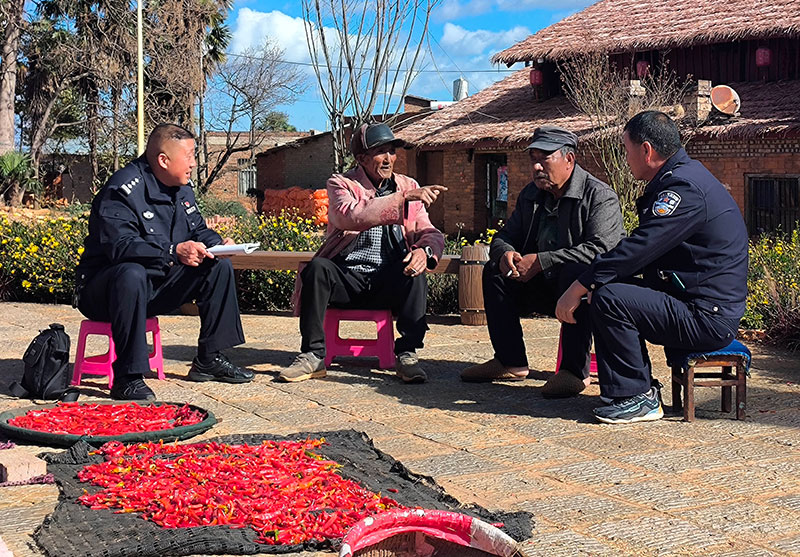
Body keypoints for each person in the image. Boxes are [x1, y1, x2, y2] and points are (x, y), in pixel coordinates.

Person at [556, 111, 748, 424]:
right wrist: (592, 282)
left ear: (646, 150)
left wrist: (579, 285)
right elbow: (644, 253)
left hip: (707, 317)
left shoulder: (683, 190)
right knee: (605, 290)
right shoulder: (681, 178)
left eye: (626, 150)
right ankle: (631, 388)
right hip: (693, 301)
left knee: (609, 298)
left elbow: (637, 250)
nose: (625, 158)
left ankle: (637, 397)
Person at [75, 124, 253, 401]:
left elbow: (197, 230)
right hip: (105, 293)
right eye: (190, 155)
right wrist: (173, 250)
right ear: (163, 160)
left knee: (217, 266)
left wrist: (219, 244)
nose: (194, 163)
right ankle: (128, 377)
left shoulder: (180, 188)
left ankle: (209, 359)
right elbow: (120, 247)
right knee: (131, 272)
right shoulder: (121, 190)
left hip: (154, 285)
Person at [461, 125, 625, 398]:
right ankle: (510, 361)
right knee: (495, 271)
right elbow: (505, 235)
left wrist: (543, 261)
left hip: (584, 293)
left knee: (577, 272)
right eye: (533, 158)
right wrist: (506, 255)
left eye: (544, 158)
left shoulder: (599, 196)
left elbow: (603, 250)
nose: (536, 166)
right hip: (542, 287)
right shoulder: (531, 195)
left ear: (569, 159)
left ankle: (573, 373)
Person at [282, 122, 446, 384]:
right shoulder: (341, 183)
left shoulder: (406, 184)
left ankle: (407, 354)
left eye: (391, 151)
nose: (389, 159)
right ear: (362, 158)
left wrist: (424, 251)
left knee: (416, 271)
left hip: (388, 280)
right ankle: (312, 355)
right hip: (347, 277)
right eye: (381, 152)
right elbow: (352, 216)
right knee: (317, 269)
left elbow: (429, 231)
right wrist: (402, 199)